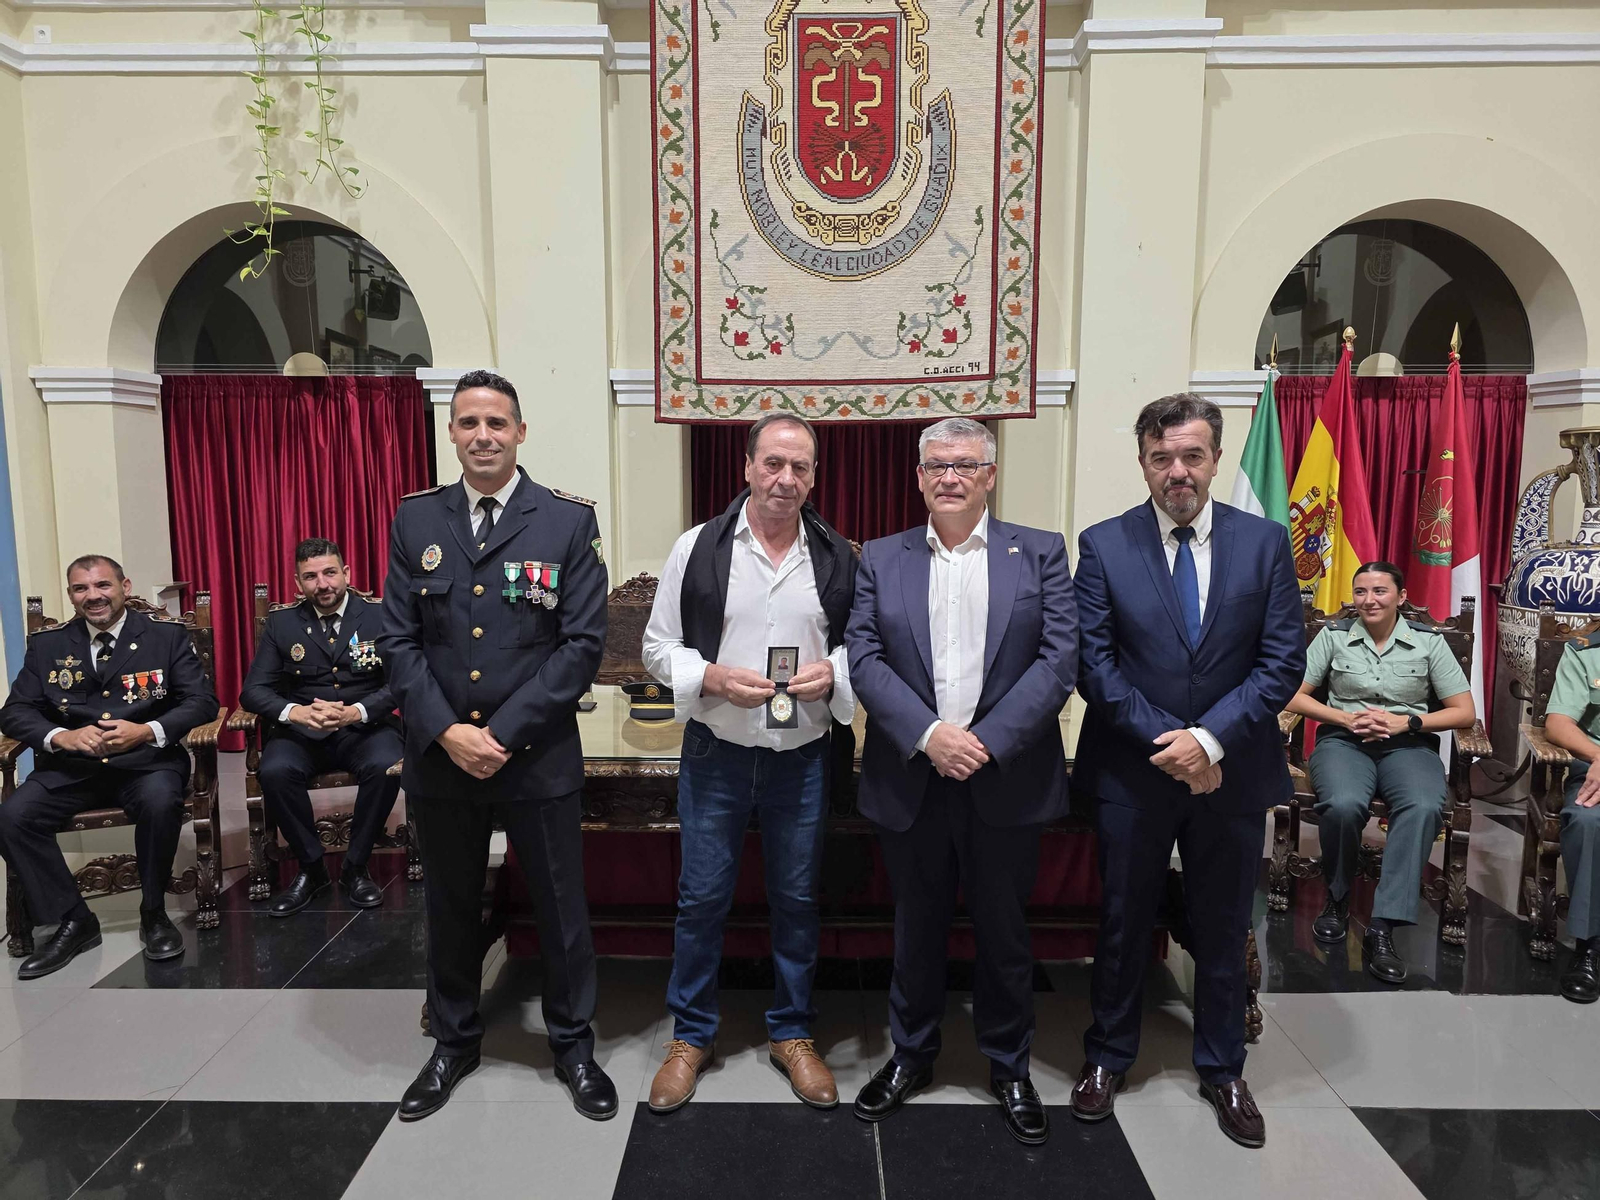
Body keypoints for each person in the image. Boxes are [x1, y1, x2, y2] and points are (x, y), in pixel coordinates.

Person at [379, 370, 613, 1121]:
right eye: (468, 422)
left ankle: (573, 1045)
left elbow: (580, 647)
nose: (483, 435)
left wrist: (501, 735)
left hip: (536, 755)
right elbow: (397, 641)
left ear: (520, 432)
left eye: (497, 422)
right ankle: (453, 1042)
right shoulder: (416, 520)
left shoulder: (567, 522)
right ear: (451, 432)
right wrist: (449, 732)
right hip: (442, 757)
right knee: (449, 907)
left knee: (559, 909)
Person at [1071, 394, 1303, 1149]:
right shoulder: (1104, 545)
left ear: (1215, 458)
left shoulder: (1265, 544)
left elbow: (1281, 663)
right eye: (1162, 457)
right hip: (1133, 774)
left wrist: (1210, 741)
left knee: (1224, 924)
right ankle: (1108, 1055)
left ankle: (1223, 1066)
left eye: (1192, 456)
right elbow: (1095, 667)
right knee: (1123, 920)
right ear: (1142, 461)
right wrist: (1172, 743)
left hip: (1232, 774)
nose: (1178, 471)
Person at [845, 417, 1077, 1145]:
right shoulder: (880, 558)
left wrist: (983, 742)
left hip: (1003, 777)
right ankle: (910, 1056)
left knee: (1006, 931)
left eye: (966, 464)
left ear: (990, 475)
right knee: (914, 927)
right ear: (917, 477)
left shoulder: (1038, 552)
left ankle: (1008, 1065)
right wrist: (929, 736)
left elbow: (1059, 660)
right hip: (913, 775)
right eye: (936, 464)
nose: (950, 476)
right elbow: (863, 654)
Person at [640, 412, 856, 1112]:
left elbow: (866, 647)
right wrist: (709, 677)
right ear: (747, 466)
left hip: (803, 757)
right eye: (772, 463)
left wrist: (836, 674)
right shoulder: (698, 548)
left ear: (814, 477)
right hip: (718, 750)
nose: (784, 479)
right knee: (702, 898)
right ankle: (691, 1036)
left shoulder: (836, 555)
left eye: (799, 467)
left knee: (796, 898)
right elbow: (657, 645)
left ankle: (791, 1033)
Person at [0, 555, 217, 977]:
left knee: (160, 803)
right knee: (13, 817)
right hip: (72, 767)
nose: (93, 596)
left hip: (145, 763)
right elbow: (14, 712)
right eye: (81, 589)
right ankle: (73, 918)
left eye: (103, 585)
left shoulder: (164, 637)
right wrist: (59, 737)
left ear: (124, 586)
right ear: (70, 596)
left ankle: (153, 913)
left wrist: (147, 729)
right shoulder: (49, 645)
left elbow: (202, 701)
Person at [1287, 562, 1475, 985]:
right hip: (1343, 743)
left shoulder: (1428, 644)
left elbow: (1464, 711)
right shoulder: (1334, 638)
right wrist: (1343, 717)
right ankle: (1336, 898)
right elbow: (1292, 694)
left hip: (1408, 746)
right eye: (1360, 592)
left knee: (1425, 805)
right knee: (1341, 803)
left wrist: (1405, 723)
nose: (1369, 600)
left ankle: (1383, 926)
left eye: (1379, 591)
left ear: (1401, 597)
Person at [239, 537, 404, 915]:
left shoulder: (381, 616)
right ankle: (311, 868)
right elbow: (253, 691)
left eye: (330, 573)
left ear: (346, 573)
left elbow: (400, 682)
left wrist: (356, 711)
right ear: (298, 584)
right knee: (275, 771)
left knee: (387, 766)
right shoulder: (282, 624)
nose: (322, 584)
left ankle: (355, 866)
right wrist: (293, 713)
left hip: (364, 727)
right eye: (310, 577)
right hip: (302, 732)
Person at [1537, 630, 1600, 1004]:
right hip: (1595, 767)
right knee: (1587, 821)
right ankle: (1588, 947)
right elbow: (1558, 723)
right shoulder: (1585, 653)